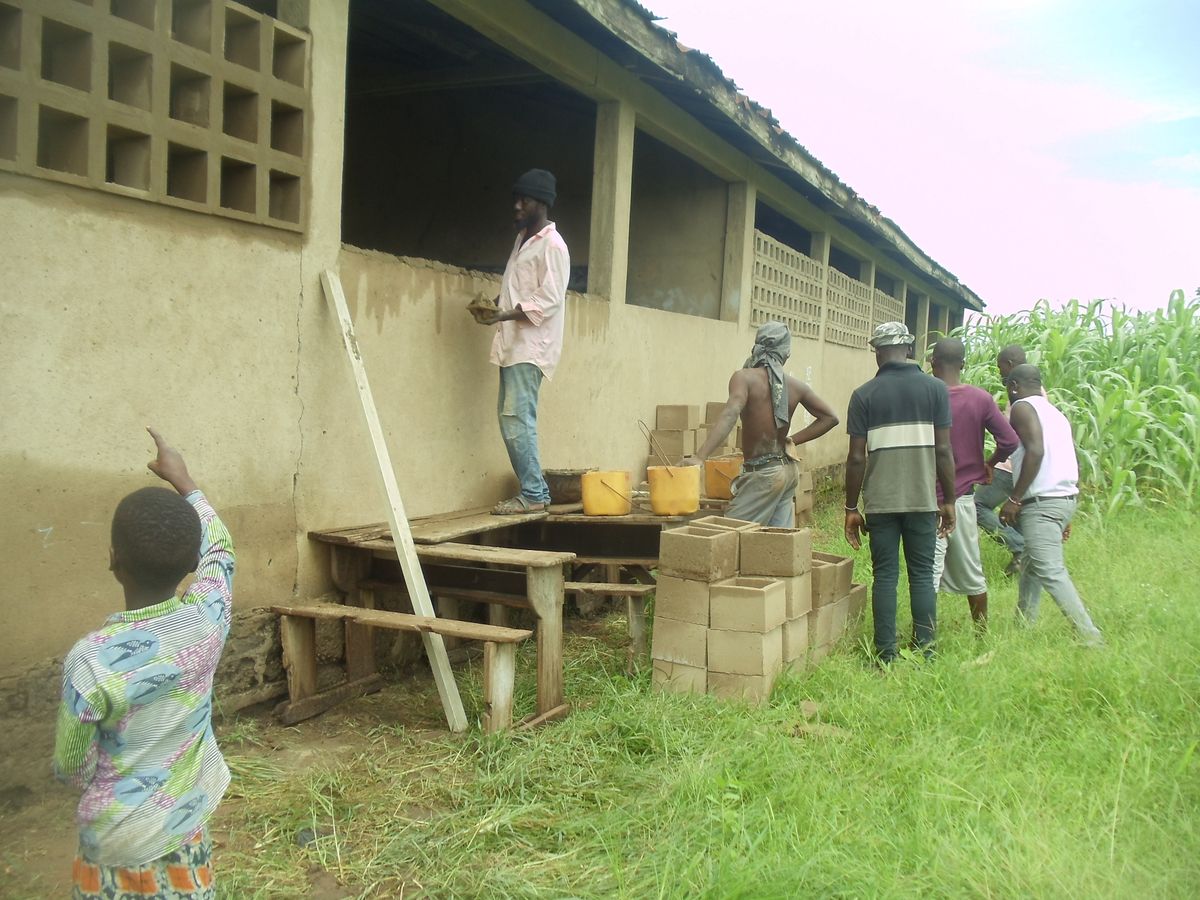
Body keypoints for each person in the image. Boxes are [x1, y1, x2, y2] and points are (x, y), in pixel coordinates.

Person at [54, 428, 235, 899]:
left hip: (119, 837)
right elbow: (221, 550)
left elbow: (70, 767)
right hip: (186, 819)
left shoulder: (91, 660)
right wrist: (186, 482)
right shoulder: (207, 618)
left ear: (113, 559)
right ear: (192, 559)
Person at [844, 322, 956, 662]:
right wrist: (948, 500)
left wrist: (851, 507)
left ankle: (886, 656)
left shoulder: (863, 395)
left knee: (885, 576)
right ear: (908, 350)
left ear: (877, 353)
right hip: (922, 499)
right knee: (922, 576)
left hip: (881, 503)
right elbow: (943, 451)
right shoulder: (936, 390)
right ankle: (926, 650)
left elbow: (856, 457)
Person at [475, 168, 569, 515]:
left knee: (516, 420)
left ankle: (533, 493)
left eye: (524, 200)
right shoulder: (524, 239)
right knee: (511, 419)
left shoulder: (553, 246)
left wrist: (503, 315)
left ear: (541, 203)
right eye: (516, 199)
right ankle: (534, 491)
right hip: (515, 344)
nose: (516, 206)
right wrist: (496, 310)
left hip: (532, 347)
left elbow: (550, 300)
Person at [683, 321, 838, 526]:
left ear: (756, 347)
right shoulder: (796, 386)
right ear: (786, 353)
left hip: (764, 474)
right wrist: (791, 440)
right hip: (788, 472)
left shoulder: (744, 378)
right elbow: (830, 418)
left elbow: (731, 412)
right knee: (777, 545)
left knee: (728, 537)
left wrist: (699, 457)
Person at [999, 365, 1103, 644]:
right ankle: (1023, 626)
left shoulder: (1021, 407)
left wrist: (1014, 498)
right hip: (1062, 498)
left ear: (1014, 386)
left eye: (1008, 385)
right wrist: (1064, 511)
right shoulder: (1056, 414)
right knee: (1031, 567)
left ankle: (1089, 636)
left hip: (1042, 502)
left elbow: (1036, 451)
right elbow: (1066, 459)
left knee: (1049, 568)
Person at [929, 337, 1019, 629]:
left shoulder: (926, 396)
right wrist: (989, 463)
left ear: (932, 364)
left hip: (927, 497)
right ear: (964, 365)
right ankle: (981, 634)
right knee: (972, 571)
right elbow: (1010, 440)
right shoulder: (980, 399)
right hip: (963, 498)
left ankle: (923, 638)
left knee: (926, 574)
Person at [974, 343, 1031, 574]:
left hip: (1010, 466)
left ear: (1010, 365)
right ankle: (1026, 561)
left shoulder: (1019, 395)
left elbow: (1012, 440)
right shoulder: (1033, 391)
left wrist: (991, 462)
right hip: (1023, 467)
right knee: (1017, 517)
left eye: (1000, 368)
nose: (1000, 374)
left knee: (978, 506)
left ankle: (1021, 549)